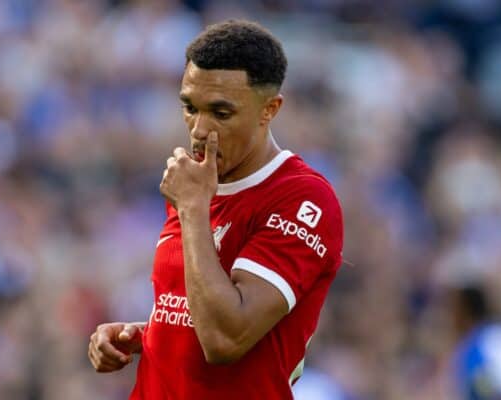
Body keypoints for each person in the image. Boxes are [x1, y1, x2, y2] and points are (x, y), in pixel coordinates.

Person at [88, 19, 344, 399]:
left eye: (221, 114)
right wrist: (148, 334)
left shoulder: (302, 199)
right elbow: (196, 307)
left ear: (269, 109)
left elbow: (225, 338)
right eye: (190, 107)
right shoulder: (197, 184)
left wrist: (193, 209)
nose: (198, 129)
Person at [449, 284, 501, 400]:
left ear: (465, 309)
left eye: (454, 308)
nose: (450, 316)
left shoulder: (481, 343)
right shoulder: (499, 333)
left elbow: (489, 388)